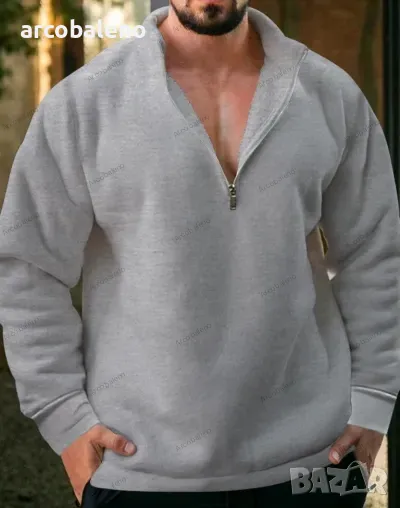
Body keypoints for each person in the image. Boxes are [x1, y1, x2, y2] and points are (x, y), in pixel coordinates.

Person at [0, 1, 399, 507]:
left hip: (318, 462)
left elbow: (374, 254)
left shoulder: (329, 94)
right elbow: (28, 266)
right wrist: (65, 418)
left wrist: (374, 400)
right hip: (140, 467)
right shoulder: (86, 102)